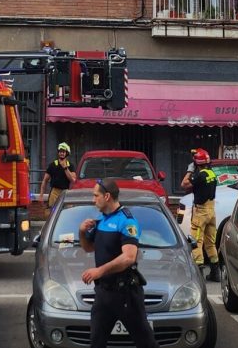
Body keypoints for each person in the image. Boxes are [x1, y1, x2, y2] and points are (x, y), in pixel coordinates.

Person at [78, 178, 158, 348]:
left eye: (95, 195)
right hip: (104, 294)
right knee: (96, 342)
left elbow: (129, 257)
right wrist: (82, 232)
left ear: (107, 196)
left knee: (146, 342)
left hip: (126, 294)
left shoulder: (127, 221)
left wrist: (99, 271)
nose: (93, 200)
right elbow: (88, 248)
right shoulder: (102, 221)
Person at [181, 148, 220, 282]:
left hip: (201, 212)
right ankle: (215, 272)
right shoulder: (212, 174)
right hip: (211, 211)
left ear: (197, 163)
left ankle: (199, 274)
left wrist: (190, 170)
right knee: (211, 243)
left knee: (196, 241)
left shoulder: (199, 175)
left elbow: (184, 184)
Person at [38, 142, 77, 208]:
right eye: (60, 151)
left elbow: (73, 180)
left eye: (63, 151)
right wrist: (41, 195)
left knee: (67, 211)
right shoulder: (53, 165)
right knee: (52, 212)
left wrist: (65, 168)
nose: (61, 153)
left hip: (66, 192)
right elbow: (45, 180)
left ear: (66, 153)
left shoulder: (70, 166)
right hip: (54, 192)